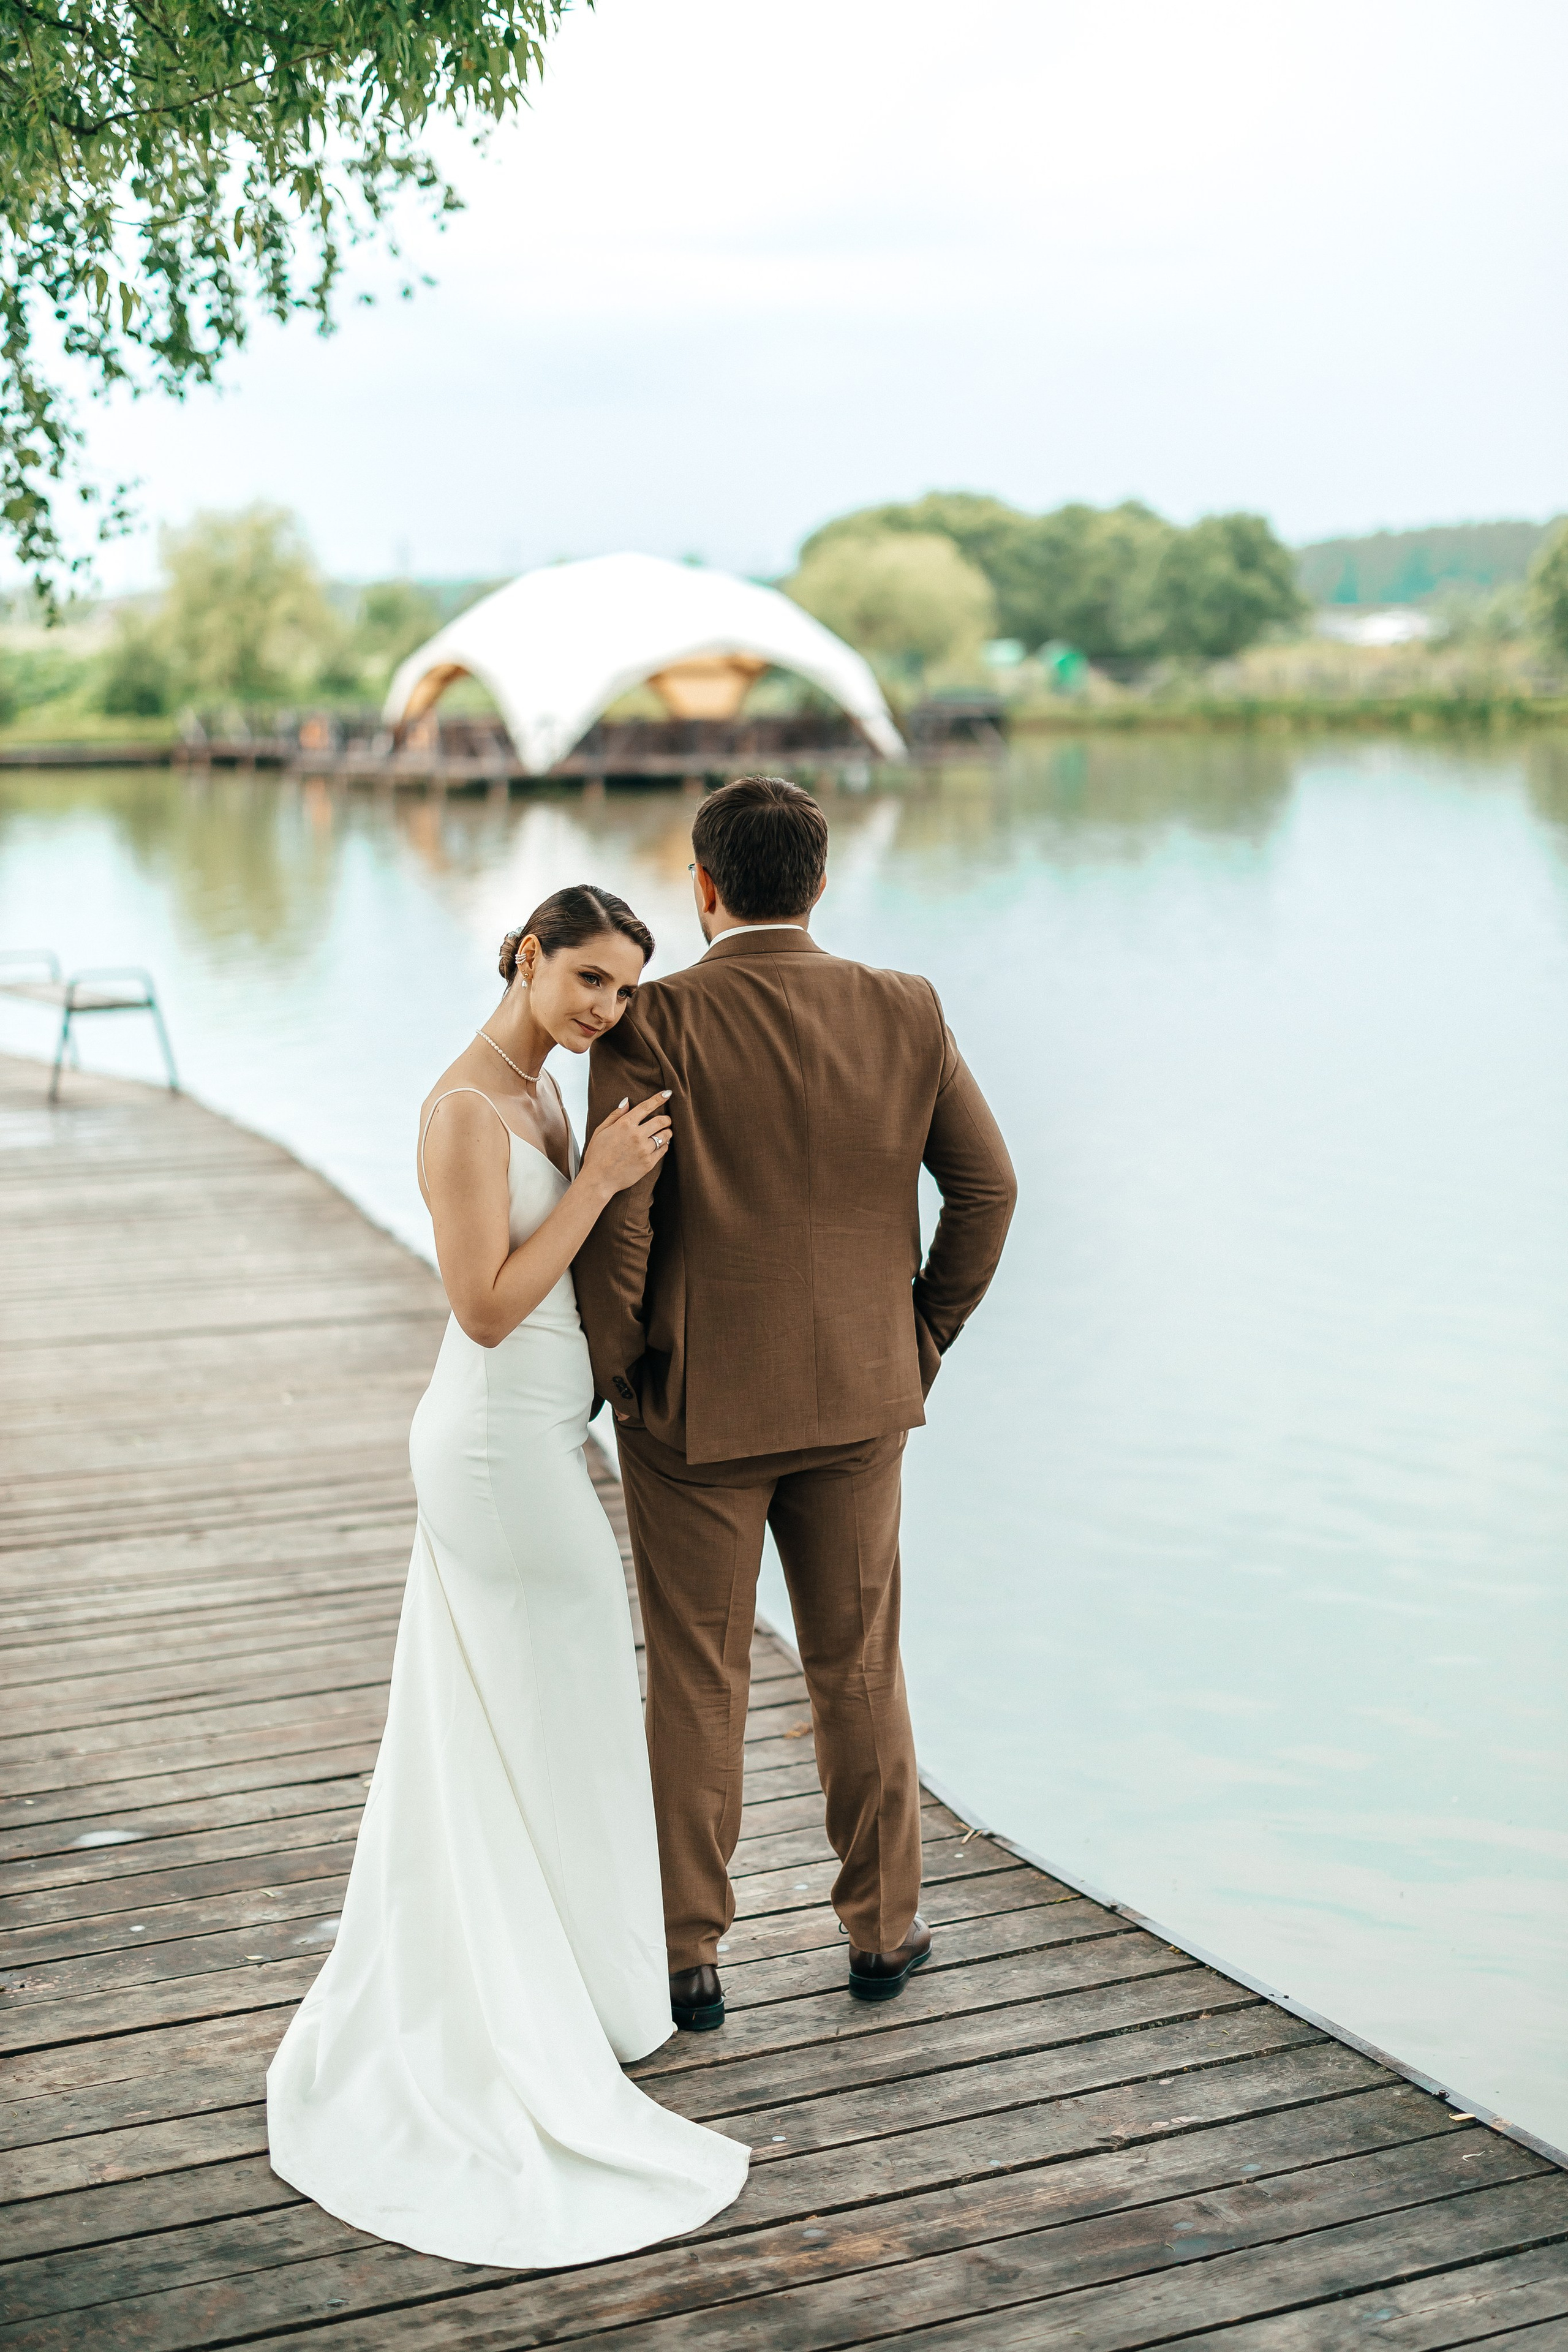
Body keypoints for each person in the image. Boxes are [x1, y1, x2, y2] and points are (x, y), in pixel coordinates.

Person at [266, 885, 748, 2267]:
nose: (604, 1010)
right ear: (527, 957)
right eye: (587, 979)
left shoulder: (540, 1092)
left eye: (622, 993)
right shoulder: (466, 1111)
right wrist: (598, 1184)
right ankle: (563, 2008)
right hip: (491, 1448)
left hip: (537, 1438)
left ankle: (582, 1994)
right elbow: (480, 1305)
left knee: (546, 1721)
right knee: (583, 1695)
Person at [575, 777, 1017, 2032]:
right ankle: (881, 1935)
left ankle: (688, 1959)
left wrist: (618, 1373)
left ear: (701, 887)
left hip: (693, 1408)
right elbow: (986, 1192)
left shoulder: (651, 1020)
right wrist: (916, 1338)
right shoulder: (903, 1008)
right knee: (857, 1665)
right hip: (861, 1402)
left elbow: (623, 1224)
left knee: (700, 1677)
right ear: (818, 884)